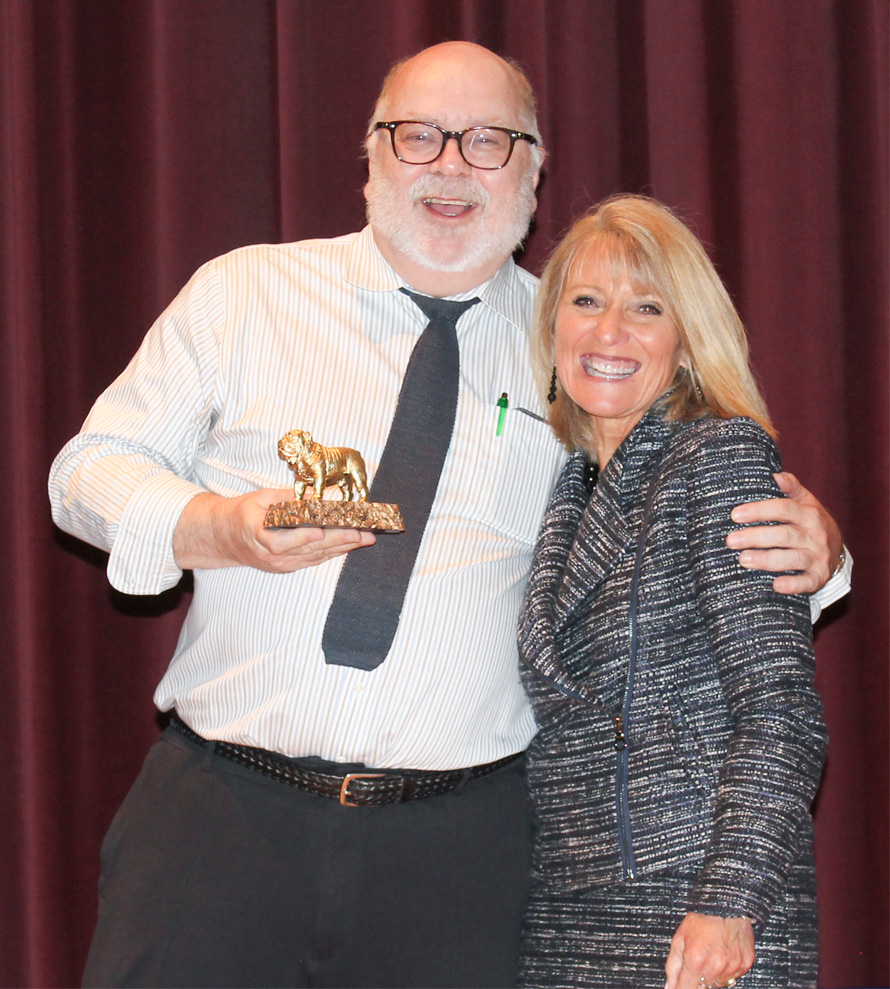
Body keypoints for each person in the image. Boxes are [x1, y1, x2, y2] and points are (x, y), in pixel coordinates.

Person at [48, 43, 847, 989]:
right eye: (419, 135)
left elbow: (671, 516)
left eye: (488, 141)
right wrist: (213, 524)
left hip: (463, 853)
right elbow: (86, 472)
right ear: (371, 153)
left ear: (534, 169)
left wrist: (824, 555)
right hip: (220, 817)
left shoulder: (573, 349)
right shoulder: (243, 295)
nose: (451, 165)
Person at [517, 194, 830, 989]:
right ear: (553, 326)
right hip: (571, 903)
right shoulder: (569, 481)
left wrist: (730, 899)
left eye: (645, 308)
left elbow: (779, 706)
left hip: (700, 901)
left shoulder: (717, 455)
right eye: (585, 302)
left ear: (687, 342)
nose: (608, 331)